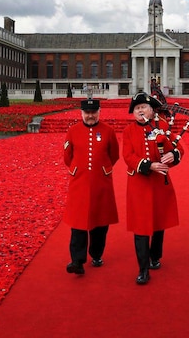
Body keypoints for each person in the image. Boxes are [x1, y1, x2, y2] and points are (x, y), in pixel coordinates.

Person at [122, 91, 181, 285]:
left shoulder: (162, 127)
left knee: (158, 223)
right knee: (140, 226)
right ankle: (143, 268)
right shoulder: (128, 131)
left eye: (143, 108)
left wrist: (173, 155)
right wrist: (148, 166)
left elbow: (178, 148)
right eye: (137, 108)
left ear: (151, 110)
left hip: (159, 184)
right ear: (133, 113)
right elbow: (128, 156)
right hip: (139, 184)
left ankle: (155, 257)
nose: (140, 111)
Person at [63, 98, 119, 275]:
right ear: (81, 113)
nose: (90, 116)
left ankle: (96, 254)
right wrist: (79, 169)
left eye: (93, 112)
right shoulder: (72, 131)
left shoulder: (108, 131)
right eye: (87, 113)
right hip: (79, 182)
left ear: (99, 112)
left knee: (100, 221)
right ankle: (77, 261)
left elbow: (114, 155)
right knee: (78, 222)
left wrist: (103, 168)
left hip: (101, 182)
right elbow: (67, 156)